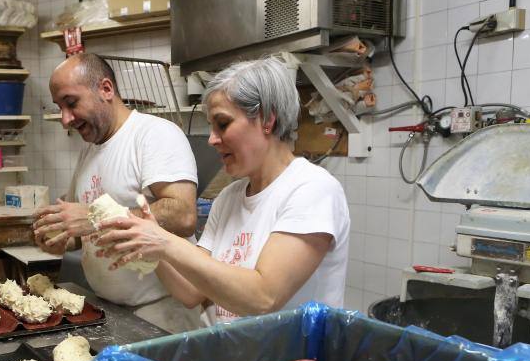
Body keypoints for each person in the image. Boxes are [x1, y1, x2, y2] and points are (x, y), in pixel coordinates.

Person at [95, 57, 350, 325]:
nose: (212, 139)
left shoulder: (312, 189)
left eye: (223, 124)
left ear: (267, 120)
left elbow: (263, 298)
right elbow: (191, 291)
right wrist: (149, 249)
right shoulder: (229, 199)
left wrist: (163, 241)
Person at [33, 53, 203, 333]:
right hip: (110, 310)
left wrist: (95, 218)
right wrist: (64, 238)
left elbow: (183, 214)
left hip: (164, 313)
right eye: (59, 107)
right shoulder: (90, 150)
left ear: (106, 89)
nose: (65, 119)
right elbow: (85, 229)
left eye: (71, 103)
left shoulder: (154, 134)